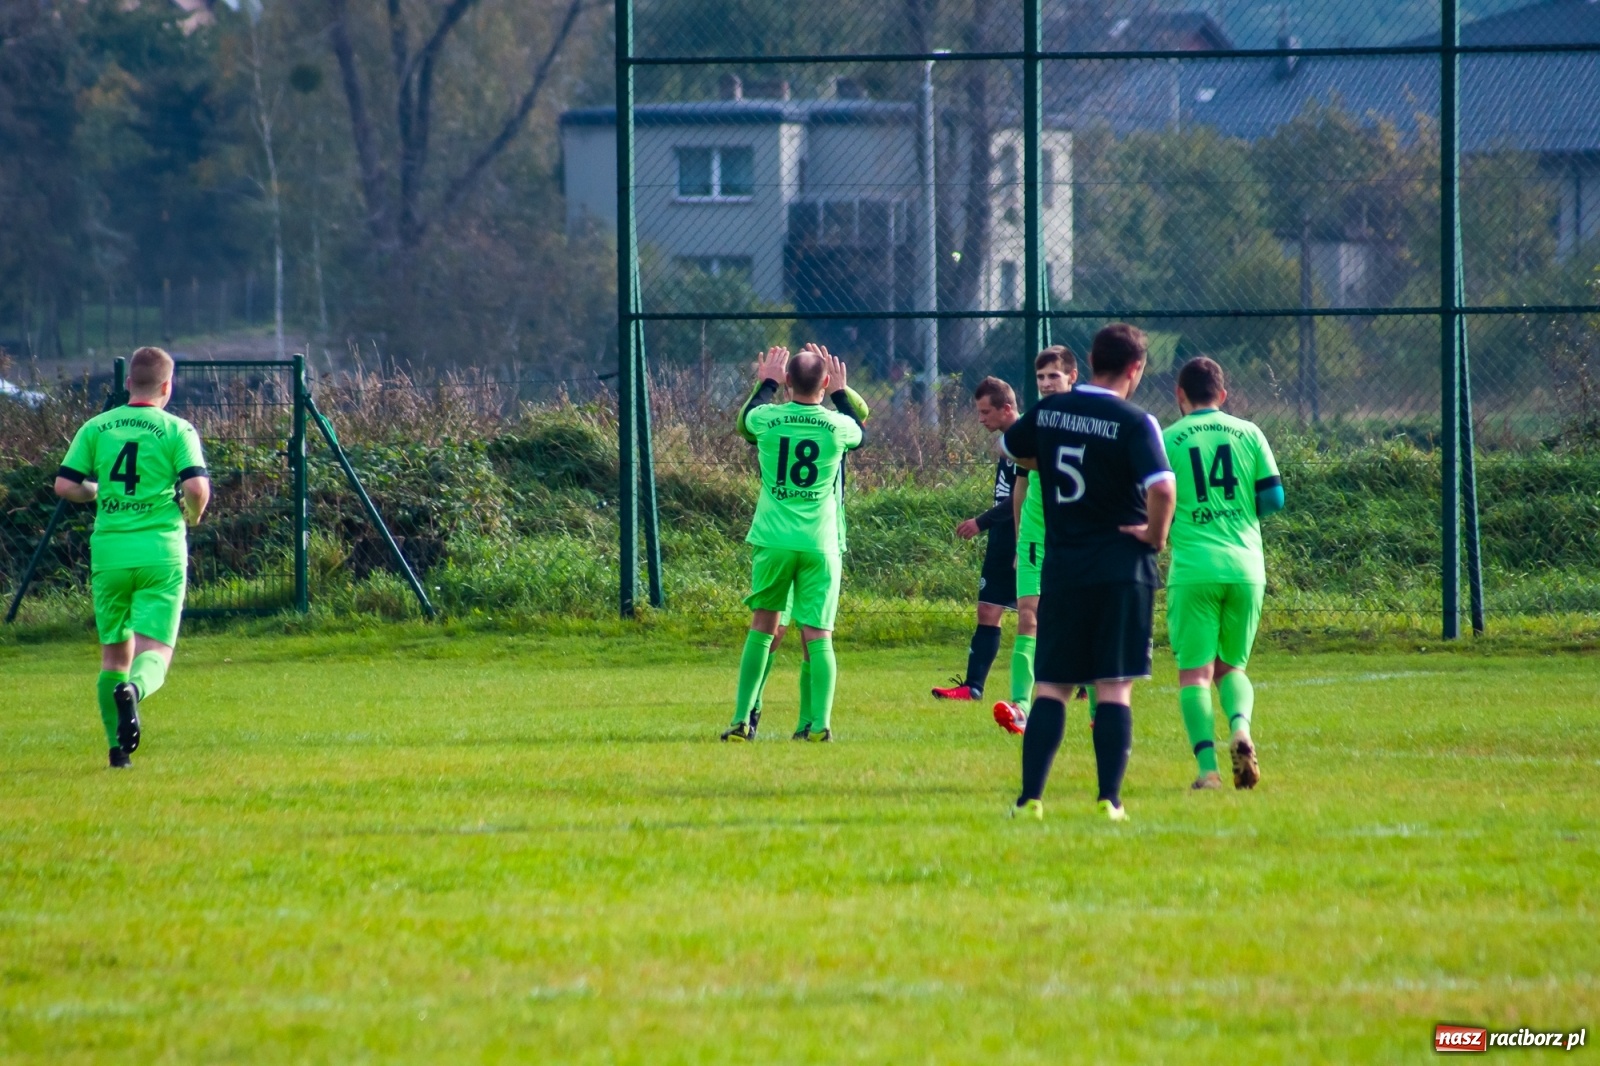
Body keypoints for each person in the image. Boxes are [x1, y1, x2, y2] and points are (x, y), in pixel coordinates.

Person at [1000, 324, 1175, 820]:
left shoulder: (1050, 411)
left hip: (1065, 568)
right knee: (1113, 686)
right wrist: (1155, 536)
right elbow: (1162, 489)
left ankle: (1030, 799)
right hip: (1122, 569)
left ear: (1091, 362)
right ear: (1135, 369)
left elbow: (1009, 449)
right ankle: (1108, 801)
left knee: (1052, 686)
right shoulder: (1136, 420)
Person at [54, 346, 210, 769]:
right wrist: (192, 516)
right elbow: (196, 489)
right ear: (167, 385)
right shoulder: (177, 429)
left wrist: (97, 491)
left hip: (110, 553)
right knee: (155, 650)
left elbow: (65, 485)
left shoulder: (97, 427)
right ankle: (135, 692)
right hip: (160, 552)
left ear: (127, 384)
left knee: (113, 657)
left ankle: (117, 753)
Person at [724, 344, 866, 742]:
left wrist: (765, 382)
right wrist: (841, 391)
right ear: (824, 382)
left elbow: (746, 419)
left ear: (786, 381)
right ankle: (819, 725)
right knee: (818, 635)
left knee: (763, 628)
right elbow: (862, 428)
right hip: (820, 542)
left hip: (773, 538)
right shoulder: (838, 426)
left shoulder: (766, 419)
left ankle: (740, 719)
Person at [1163, 356, 1283, 790]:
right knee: (1231, 669)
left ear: (1180, 395)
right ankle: (1241, 730)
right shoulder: (1250, 433)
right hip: (1247, 566)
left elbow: (1155, 498)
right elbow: (1273, 498)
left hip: (1195, 568)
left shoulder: (1168, 437)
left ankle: (1208, 772)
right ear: (1224, 394)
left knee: (1194, 674)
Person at [992, 347, 1077, 735]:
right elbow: (1020, 486)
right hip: (1035, 537)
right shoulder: (1032, 424)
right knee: (1028, 615)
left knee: (1081, 620)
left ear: (1072, 376)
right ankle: (1021, 707)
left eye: (1053, 377)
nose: (1046, 383)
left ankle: (1096, 705)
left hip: (1075, 538)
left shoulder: (1086, 421)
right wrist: (1016, 539)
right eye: (1041, 377)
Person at [930, 377, 1019, 703]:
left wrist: (980, 522)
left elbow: (1021, 500)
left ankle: (1083, 682)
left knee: (1039, 613)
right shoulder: (1009, 440)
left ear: (1006, 409)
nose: (981, 419)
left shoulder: (1023, 440)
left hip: (1023, 536)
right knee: (988, 609)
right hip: (1002, 537)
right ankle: (973, 687)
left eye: (985, 412)